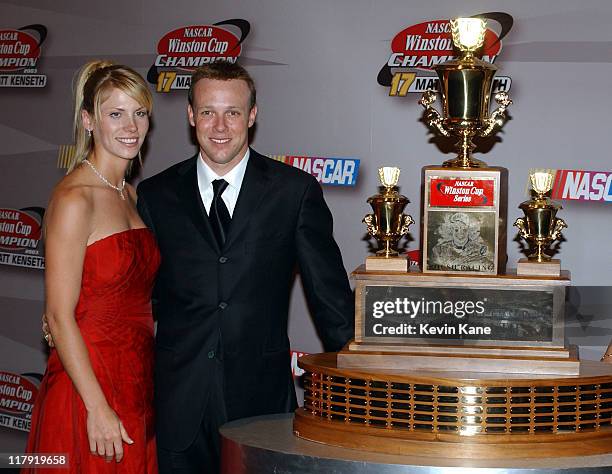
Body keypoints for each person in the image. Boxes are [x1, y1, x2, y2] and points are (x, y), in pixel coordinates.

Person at [136, 62, 354, 473]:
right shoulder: (155, 195)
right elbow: (139, 299)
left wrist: (360, 384)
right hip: (177, 400)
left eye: (233, 112)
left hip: (261, 401)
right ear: (189, 116)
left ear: (252, 116)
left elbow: (330, 299)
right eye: (207, 112)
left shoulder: (294, 191)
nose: (220, 126)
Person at [26, 61, 159, 473]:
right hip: (88, 385)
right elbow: (58, 316)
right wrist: (97, 407)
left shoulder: (131, 195)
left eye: (139, 113)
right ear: (88, 120)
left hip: (135, 379)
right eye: (115, 113)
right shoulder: (74, 199)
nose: (130, 126)